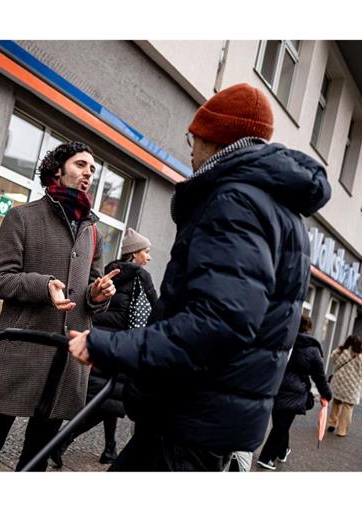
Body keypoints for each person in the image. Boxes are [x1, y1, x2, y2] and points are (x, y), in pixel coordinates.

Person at [67, 82, 331, 471]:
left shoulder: (235, 201)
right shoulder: (280, 209)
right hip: (204, 418)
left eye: (193, 137)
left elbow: (218, 323)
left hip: (189, 423)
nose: (189, 148)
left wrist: (109, 346)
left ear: (215, 138)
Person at [0, 141, 119, 472]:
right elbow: (0, 280)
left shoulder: (92, 231)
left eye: (92, 169)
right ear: (57, 170)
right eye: (81, 165)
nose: (88, 174)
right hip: (21, 349)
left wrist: (99, 294)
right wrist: (43, 284)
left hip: (67, 359)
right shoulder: (22, 216)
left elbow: (94, 291)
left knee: (37, 455)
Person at [50, 228, 158, 468]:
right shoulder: (142, 278)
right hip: (119, 348)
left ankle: (110, 449)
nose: (149, 257)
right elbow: (155, 313)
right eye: (146, 252)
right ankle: (59, 442)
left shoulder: (111, 271)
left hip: (100, 342)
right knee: (103, 403)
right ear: (134, 254)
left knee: (107, 400)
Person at [256, 316, 332, 470]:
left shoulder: (283, 341)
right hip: (295, 392)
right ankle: (266, 458)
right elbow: (319, 375)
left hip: (275, 387)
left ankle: (283, 451)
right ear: (308, 328)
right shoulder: (312, 349)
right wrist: (326, 394)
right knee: (281, 426)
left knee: (280, 423)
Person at [327, 334, 362, 437]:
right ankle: (342, 430)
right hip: (352, 387)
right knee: (347, 407)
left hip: (339, 383)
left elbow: (333, 358)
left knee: (336, 402)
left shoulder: (340, 352)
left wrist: (342, 348)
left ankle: (332, 423)